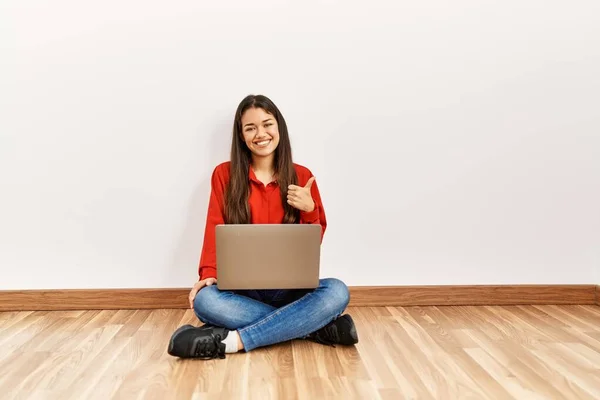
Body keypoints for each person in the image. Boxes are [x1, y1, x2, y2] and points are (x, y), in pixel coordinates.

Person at [167, 94, 358, 359]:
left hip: (291, 291)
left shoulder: (302, 176)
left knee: (337, 290)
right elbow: (214, 225)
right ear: (241, 135)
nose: (261, 133)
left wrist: (310, 210)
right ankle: (314, 327)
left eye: (267, 124)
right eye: (250, 127)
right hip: (242, 290)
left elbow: (312, 243)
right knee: (205, 301)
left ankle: (232, 342)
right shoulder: (225, 174)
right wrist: (208, 274)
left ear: (279, 127)